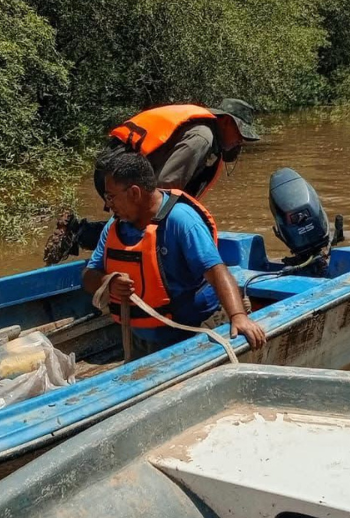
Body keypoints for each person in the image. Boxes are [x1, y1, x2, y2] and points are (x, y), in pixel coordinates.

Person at [82, 149, 267, 358]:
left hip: (193, 329)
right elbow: (88, 275)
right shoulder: (116, 226)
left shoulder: (181, 220)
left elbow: (216, 271)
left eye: (111, 196)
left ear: (134, 193)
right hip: (140, 337)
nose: (107, 204)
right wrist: (107, 281)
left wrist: (238, 316)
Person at [44, 99, 261, 264]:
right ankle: (83, 236)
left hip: (118, 173)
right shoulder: (202, 137)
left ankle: (77, 232)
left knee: (144, 224)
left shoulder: (204, 134)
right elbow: (166, 185)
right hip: (118, 176)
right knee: (147, 226)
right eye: (239, 133)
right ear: (224, 121)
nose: (239, 141)